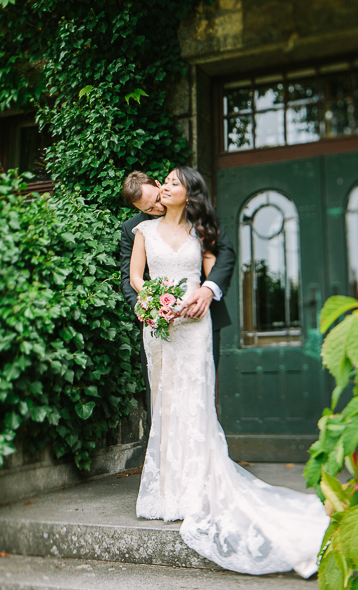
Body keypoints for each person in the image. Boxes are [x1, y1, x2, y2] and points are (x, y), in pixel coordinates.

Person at [127, 166, 329, 576]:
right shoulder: (141, 231)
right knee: (165, 403)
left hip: (196, 324)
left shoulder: (203, 231)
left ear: (189, 192)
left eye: (171, 183)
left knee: (195, 402)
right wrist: (147, 302)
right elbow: (135, 277)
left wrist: (205, 290)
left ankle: (199, 487)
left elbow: (215, 265)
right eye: (160, 184)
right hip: (161, 328)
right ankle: (168, 492)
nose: (163, 189)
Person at [120, 170, 235, 418]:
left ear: (159, 185)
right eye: (149, 209)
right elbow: (129, 279)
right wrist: (150, 309)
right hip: (159, 323)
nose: (158, 208)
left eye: (157, 200)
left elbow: (223, 253)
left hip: (201, 317)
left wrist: (208, 290)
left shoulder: (197, 212)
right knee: (162, 400)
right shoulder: (135, 229)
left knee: (201, 396)